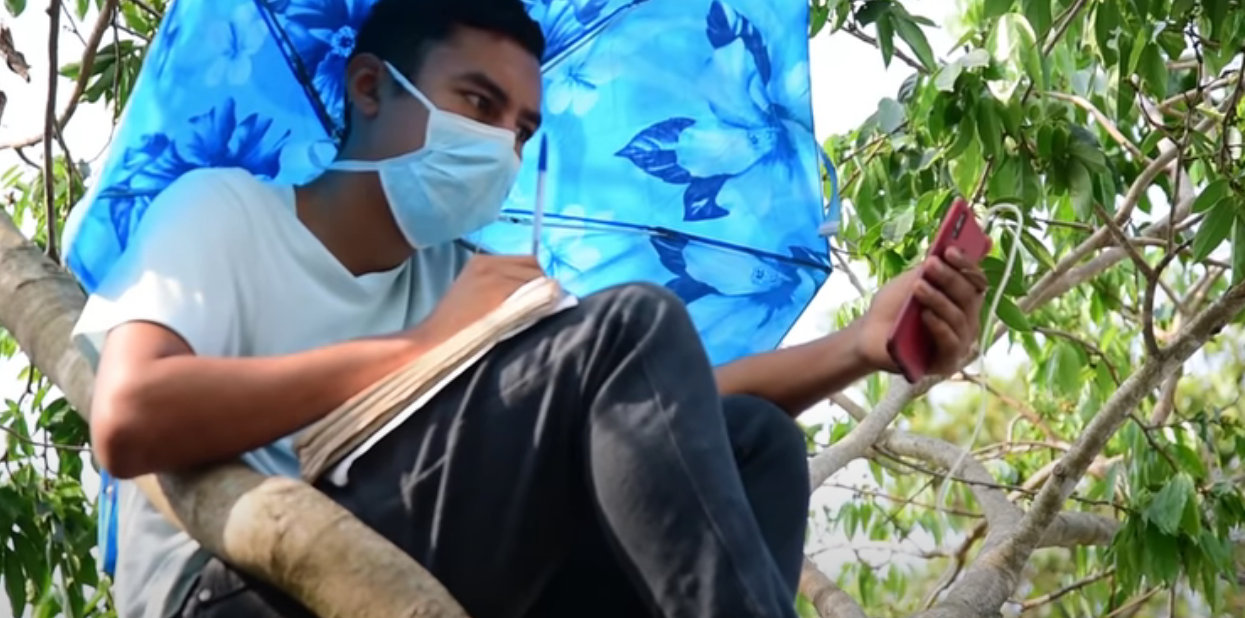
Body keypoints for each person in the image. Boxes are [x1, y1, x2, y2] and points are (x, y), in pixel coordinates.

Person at [72, 0, 988, 617]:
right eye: (477, 102)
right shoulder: (227, 211)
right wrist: (419, 348)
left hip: (414, 556)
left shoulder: (461, 274)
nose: (499, 146)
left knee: (755, 438)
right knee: (628, 323)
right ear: (368, 87)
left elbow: (657, 404)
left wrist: (863, 346)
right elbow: (129, 418)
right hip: (240, 583)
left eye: (520, 129)